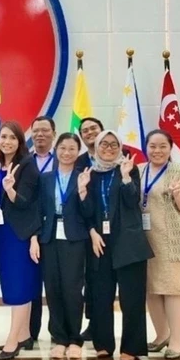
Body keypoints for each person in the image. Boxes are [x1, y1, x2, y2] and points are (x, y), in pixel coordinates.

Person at [80, 130, 153, 360]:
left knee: (132, 297)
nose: (109, 148)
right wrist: (82, 193)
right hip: (99, 242)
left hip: (128, 242)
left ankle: (131, 348)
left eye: (114, 145)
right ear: (97, 147)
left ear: (120, 147)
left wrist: (125, 178)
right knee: (101, 295)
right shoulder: (90, 173)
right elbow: (87, 212)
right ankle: (103, 344)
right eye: (104, 144)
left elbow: (133, 202)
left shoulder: (129, 169)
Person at [140, 130, 180, 360]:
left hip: (174, 241)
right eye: (153, 146)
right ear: (146, 148)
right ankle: (161, 335)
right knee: (152, 290)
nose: (157, 151)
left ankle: (176, 341)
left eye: (162, 146)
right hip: (146, 242)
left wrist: (177, 195)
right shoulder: (139, 170)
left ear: (170, 148)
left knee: (175, 290)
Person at [0, 121, 41, 360]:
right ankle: (24, 334)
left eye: (12, 137)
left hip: (20, 234)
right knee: (13, 285)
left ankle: (12, 340)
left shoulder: (28, 165)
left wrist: (9, 190)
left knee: (20, 286)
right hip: (0, 233)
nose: (7, 141)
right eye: (3, 137)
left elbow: (29, 204)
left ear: (20, 141)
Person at [37, 133, 89, 360]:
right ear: (55, 149)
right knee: (53, 289)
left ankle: (75, 338)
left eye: (71, 149)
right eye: (62, 148)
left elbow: (90, 213)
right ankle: (58, 338)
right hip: (49, 238)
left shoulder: (84, 177)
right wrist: (34, 237)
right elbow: (38, 210)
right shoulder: (46, 178)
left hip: (74, 238)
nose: (66, 153)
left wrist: (85, 191)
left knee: (72, 289)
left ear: (78, 152)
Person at [76, 117, 104, 341]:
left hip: (113, 228)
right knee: (90, 279)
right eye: (85, 131)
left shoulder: (117, 158)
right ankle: (93, 323)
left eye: (93, 128)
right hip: (86, 227)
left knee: (103, 279)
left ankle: (102, 323)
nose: (90, 133)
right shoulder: (79, 162)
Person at [29, 116, 56, 345]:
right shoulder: (24, 162)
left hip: (57, 231)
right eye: (36, 130)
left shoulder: (66, 161)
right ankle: (29, 333)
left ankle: (59, 331)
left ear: (53, 134)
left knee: (57, 283)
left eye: (45, 130)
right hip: (30, 231)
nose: (40, 134)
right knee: (32, 284)